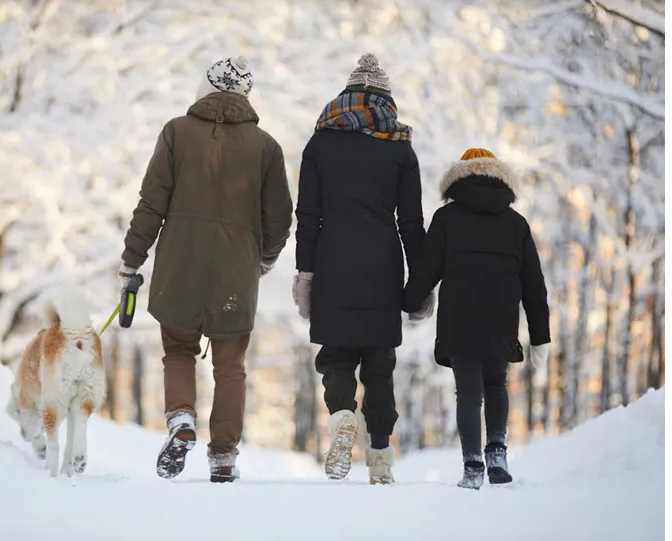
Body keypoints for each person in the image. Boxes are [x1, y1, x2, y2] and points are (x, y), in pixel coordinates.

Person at [119, 56, 293, 483]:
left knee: (178, 349)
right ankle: (224, 456)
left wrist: (132, 259)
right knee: (229, 364)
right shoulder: (266, 147)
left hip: (179, 264)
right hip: (236, 272)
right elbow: (281, 219)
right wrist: (263, 259)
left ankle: (180, 418)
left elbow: (151, 202)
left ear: (205, 89)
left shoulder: (176, 132)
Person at [293, 53, 432, 485]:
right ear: (386, 100)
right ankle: (379, 456)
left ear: (345, 96)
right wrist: (421, 282)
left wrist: (305, 274)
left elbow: (307, 217)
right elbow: (411, 222)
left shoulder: (320, 143)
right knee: (379, 362)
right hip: (381, 265)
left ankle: (341, 420)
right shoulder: (399, 147)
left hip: (332, 260)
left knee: (336, 355)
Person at [402, 148, 551, 489]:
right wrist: (540, 336)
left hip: (459, 317)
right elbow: (534, 285)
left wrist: (407, 304)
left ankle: (472, 465)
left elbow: (426, 271)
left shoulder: (447, 219)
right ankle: (496, 450)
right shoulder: (517, 224)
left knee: (468, 392)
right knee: (496, 384)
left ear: (459, 177)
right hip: (501, 317)